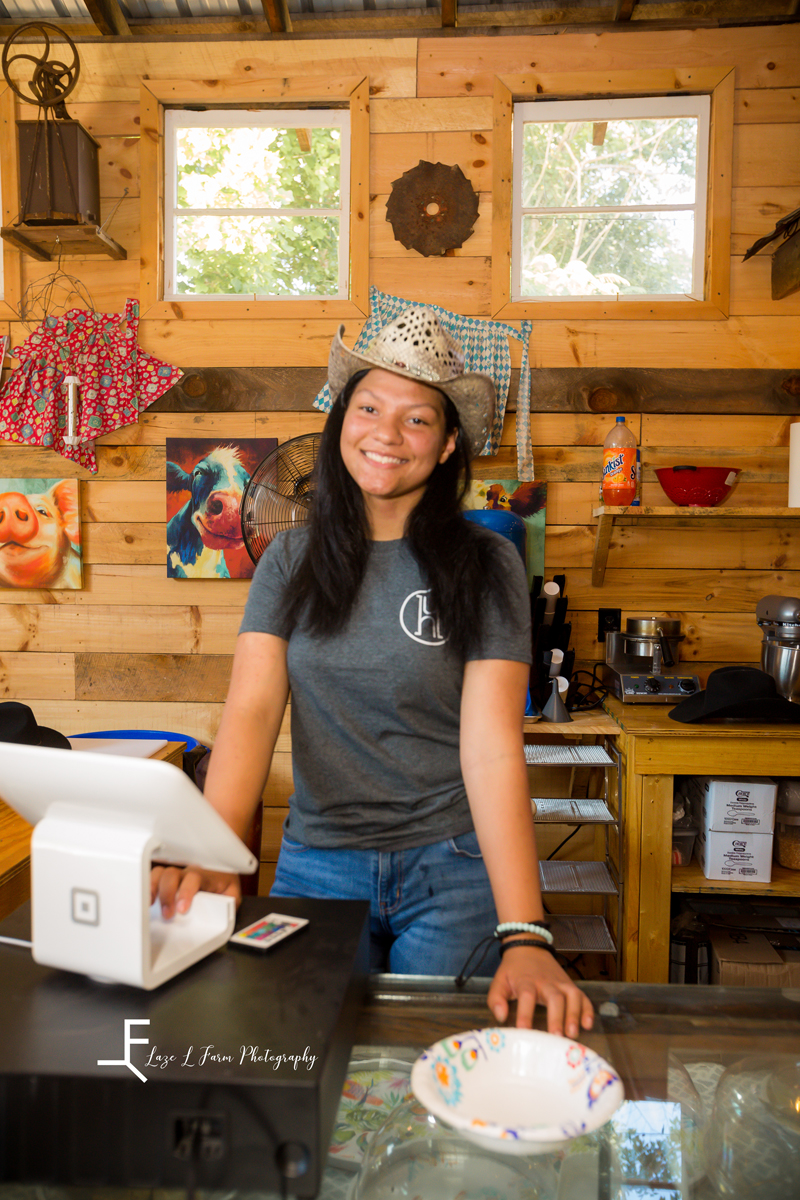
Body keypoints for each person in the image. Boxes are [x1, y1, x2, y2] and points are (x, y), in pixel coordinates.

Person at [152, 307, 593, 1039]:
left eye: (417, 419)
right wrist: (217, 853)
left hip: (453, 868)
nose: (386, 434)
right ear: (341, 422)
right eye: (369, 407)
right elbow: (252, 714)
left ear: (450, 443)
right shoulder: (290, 561)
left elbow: (490, 748)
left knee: (440, 1075)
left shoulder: (488, 564)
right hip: (318, 864)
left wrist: (525, 932)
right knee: (299, 1062)